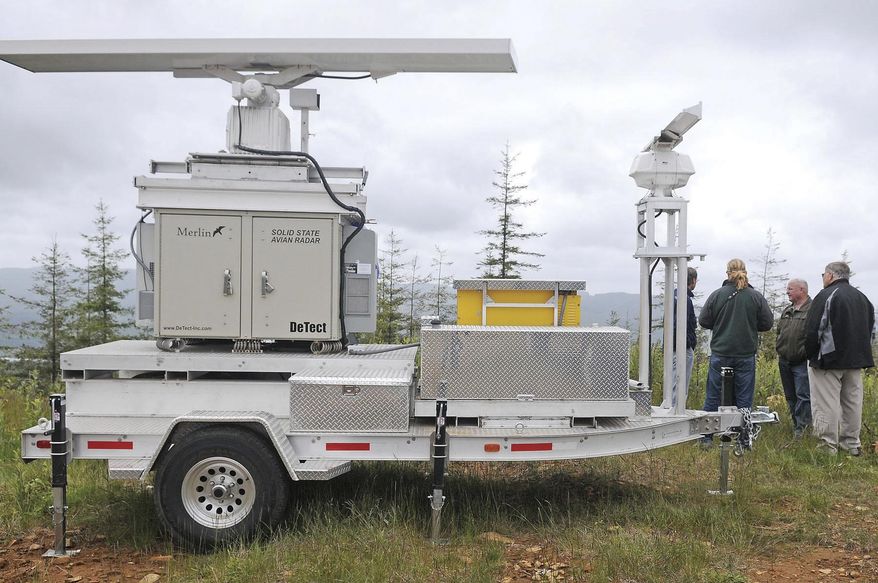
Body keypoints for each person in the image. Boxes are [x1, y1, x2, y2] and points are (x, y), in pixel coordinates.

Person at [698, 259, 773, 444]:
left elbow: (704, 321)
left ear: (727, 273)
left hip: (720, 352)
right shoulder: (755, 297)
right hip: (745, 354)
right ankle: (743, 439)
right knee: (744, 399)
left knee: (713, 396)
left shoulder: (717, 295)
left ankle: (706, 438)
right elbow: (767, 323)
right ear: (745, 272)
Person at [804, 261, 874, 456]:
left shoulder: (826, 295)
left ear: (829, 276)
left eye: (823, 275)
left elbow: (813, 329)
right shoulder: (863, 298)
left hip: (828, 360)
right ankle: (852, 445)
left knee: (826, 404)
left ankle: (827, 448)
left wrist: (811, 354)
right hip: (856, 360)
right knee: (852, 404)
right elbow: (870, 330)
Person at [775, 278, 812, 438]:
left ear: (802, 290)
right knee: (790, 395)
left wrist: (805, 352)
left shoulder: (812, 310)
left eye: (790, 289)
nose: (787, 292)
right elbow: (779, 332)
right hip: (784, 360)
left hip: (802, 362)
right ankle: (796, 424)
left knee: (803, 395)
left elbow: (814, 336)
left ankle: (803, 429)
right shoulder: (787, 310)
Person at [667, 267, 698, 409]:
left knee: (673, 384)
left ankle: (673, 408)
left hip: (672, 347)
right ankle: (676, 412)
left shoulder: (673, 296)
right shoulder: (684, 299)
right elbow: (683, 324)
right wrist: (687, 343)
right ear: (692, 280)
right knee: (679, 387)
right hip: (682, 348)